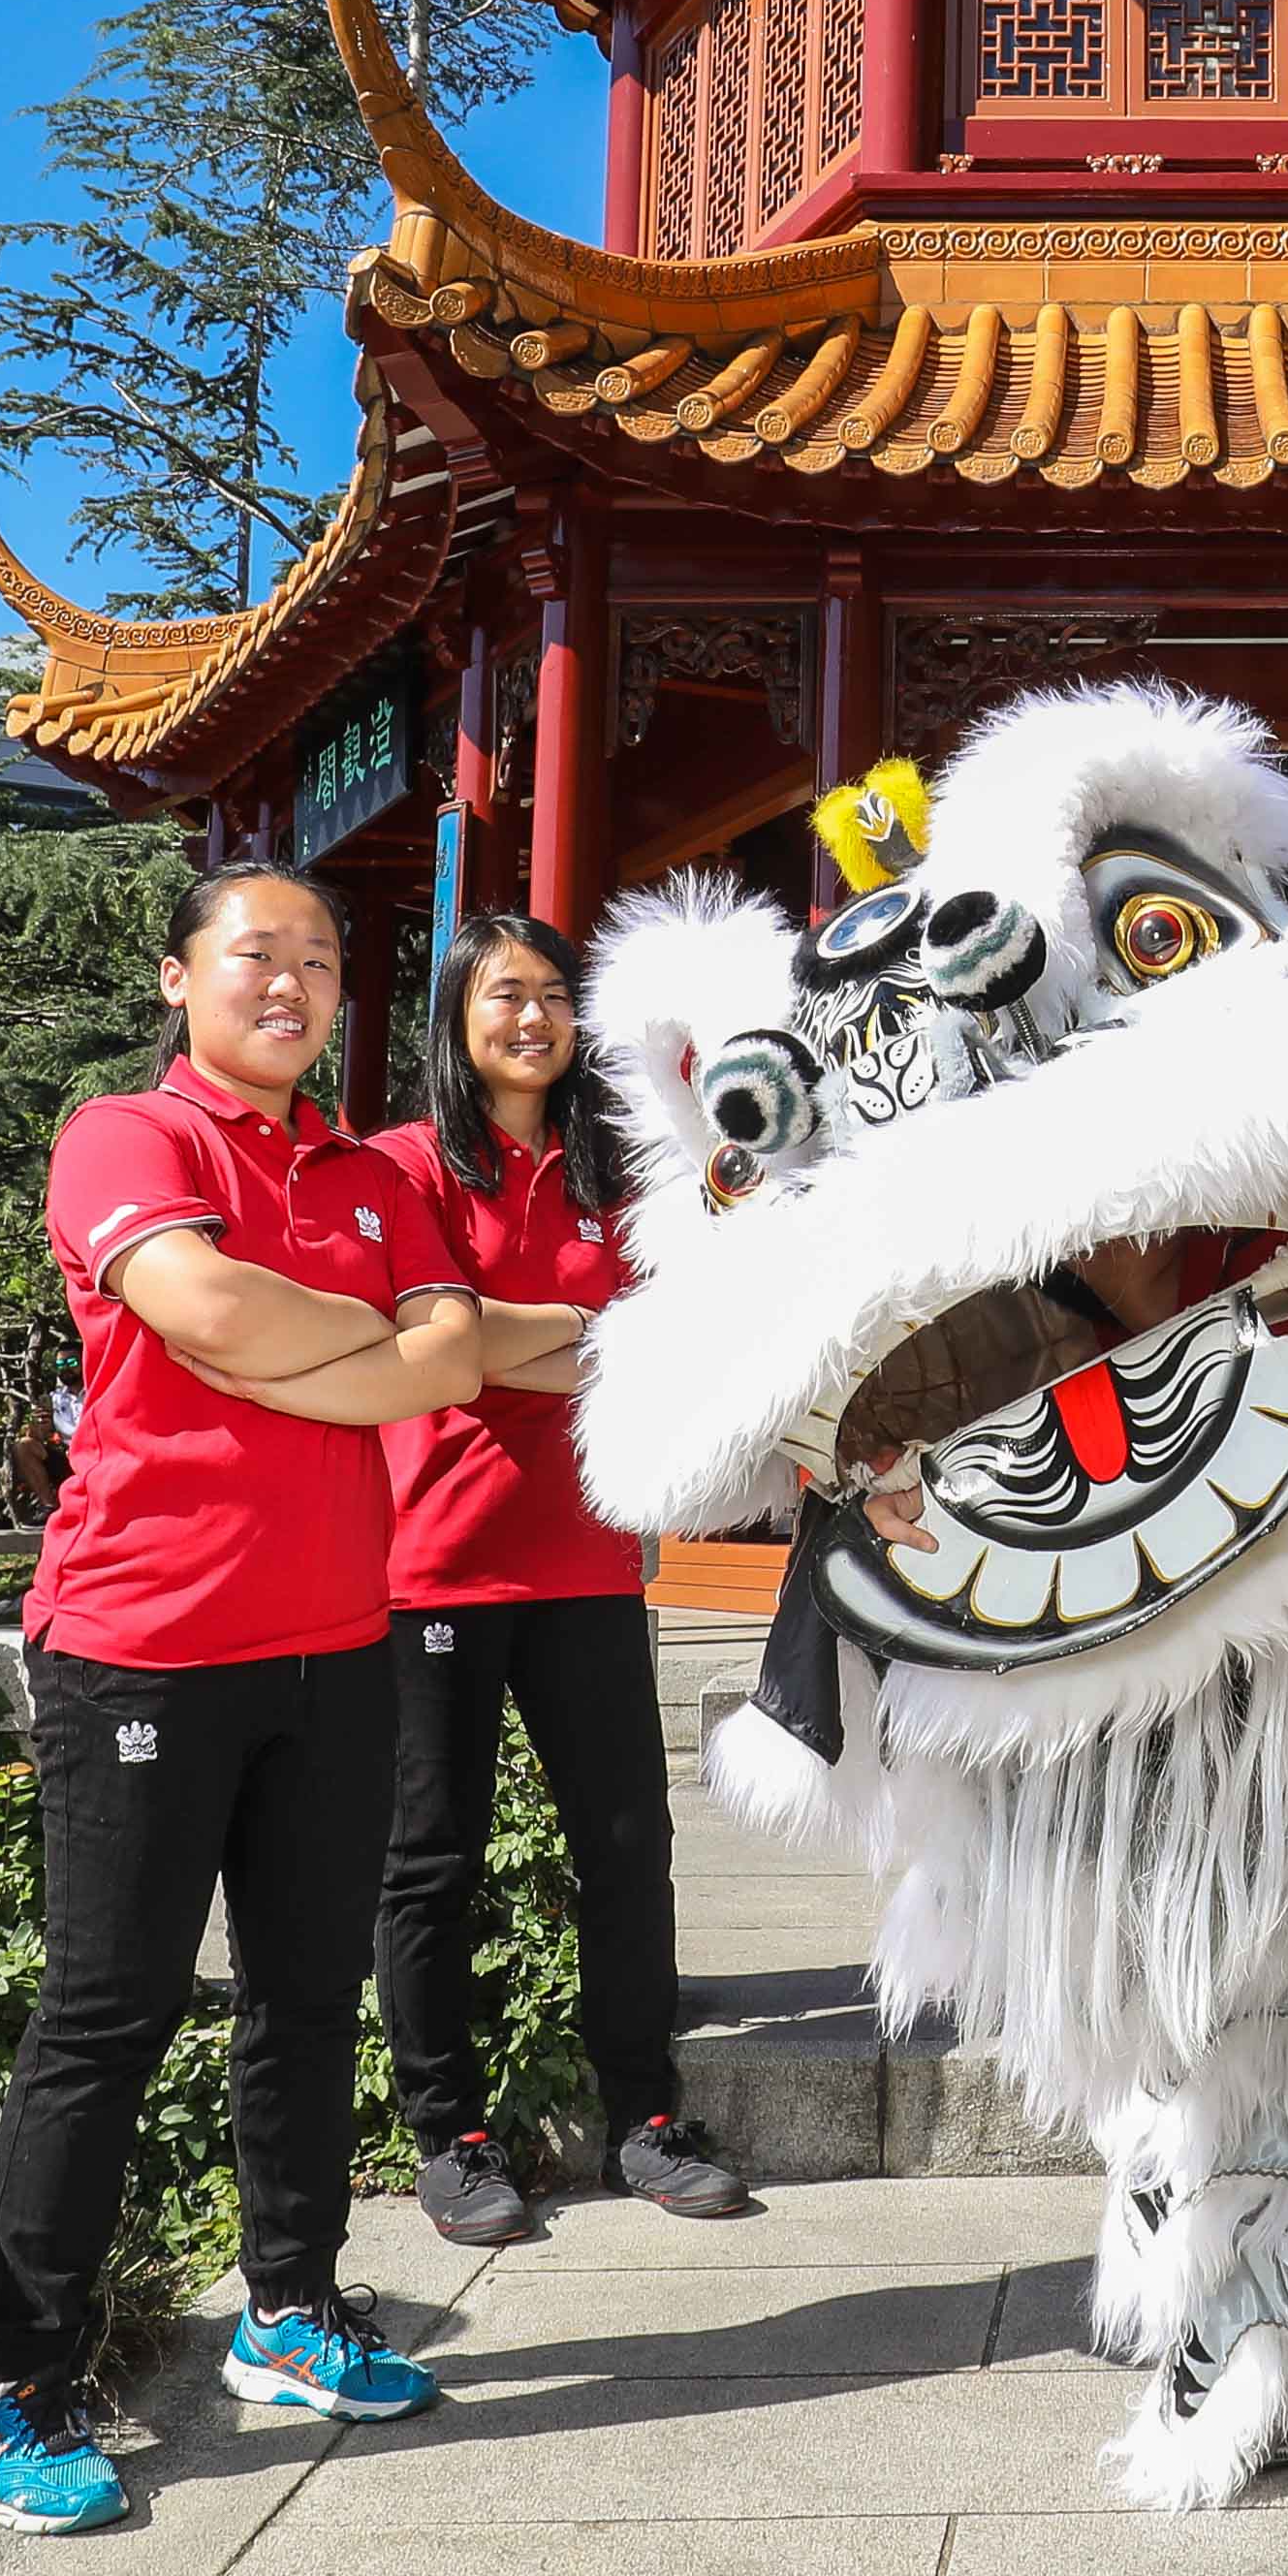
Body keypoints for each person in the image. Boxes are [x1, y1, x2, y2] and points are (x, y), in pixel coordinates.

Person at [0, 862, 588, 2540]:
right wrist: (372, 1340)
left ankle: (291, 2311)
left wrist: (355, 1344)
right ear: (178, 977)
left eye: (321, 957)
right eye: (258, 954)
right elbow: (202, 1302)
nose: (293, 981)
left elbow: (455, 1351)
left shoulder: (373, 1170)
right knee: (108, 2014)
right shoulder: (128, 1136)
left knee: (309, 2001)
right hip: (143, 1645)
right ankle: (26, 2383)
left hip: (337, 1639)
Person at [367, 911, 748, 2246]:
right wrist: (584, 1340)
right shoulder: (403, 1165)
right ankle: (448, 2132)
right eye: (501, 994)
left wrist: (501, 1336)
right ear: (455, 1015)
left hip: (586, 1558)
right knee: (431, 1859)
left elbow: (671, 1333)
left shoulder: (619, 1170)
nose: (530, 1017)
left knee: (629, 1845)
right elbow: (438, 1351)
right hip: (437, 1565)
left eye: (550, 994)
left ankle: (646, 2114)